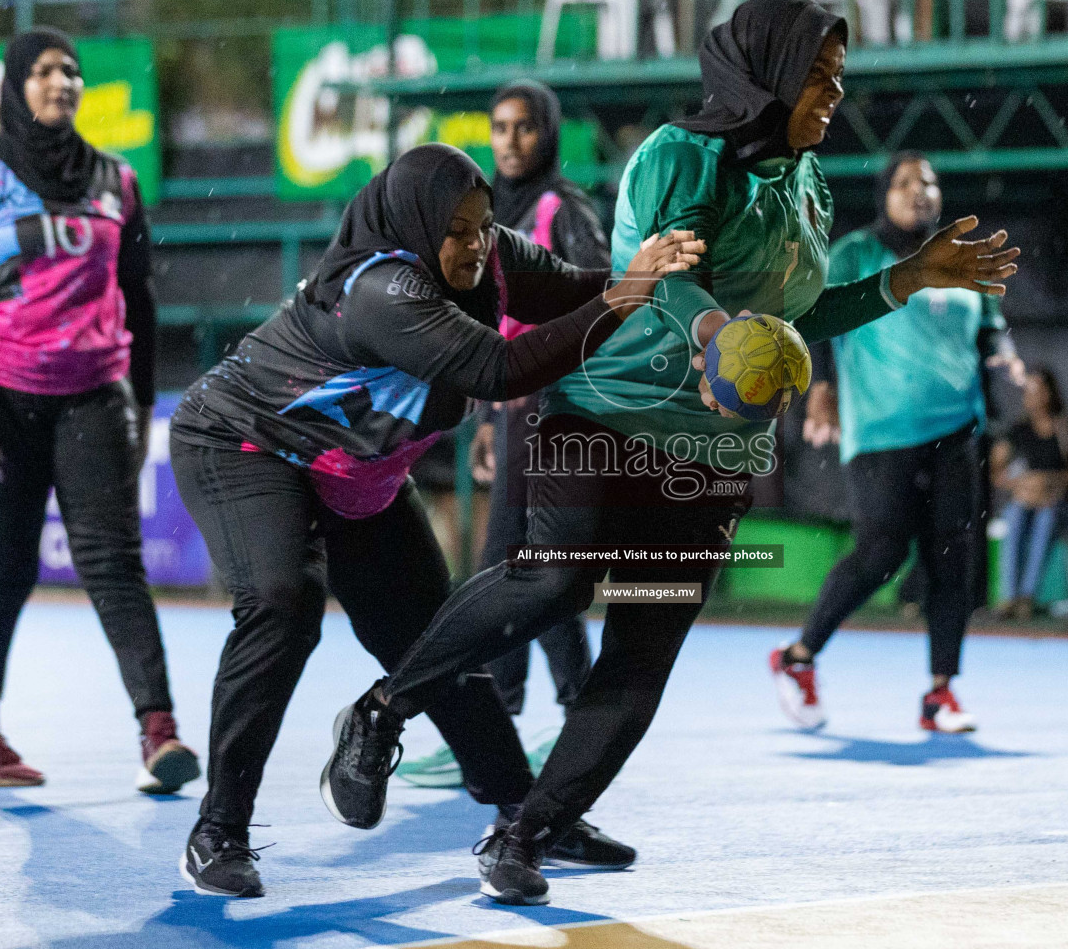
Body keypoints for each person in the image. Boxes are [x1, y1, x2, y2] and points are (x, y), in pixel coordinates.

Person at [321, 0, 1020, 907]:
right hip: (605, 416)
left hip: (711, 456)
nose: (832, 96)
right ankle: (381, 713)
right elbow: (662, 272)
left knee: (643, 650)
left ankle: (526, 831)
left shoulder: (805, 186)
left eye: (839, 79)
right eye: (818, 76)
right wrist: (717, 332)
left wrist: (904, 278)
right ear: (767, 74)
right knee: (554, 582)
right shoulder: (677, 155)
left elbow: (803, 315)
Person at [167, 141, 700, 897]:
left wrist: (658, 281)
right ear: (415, 225)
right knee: (283, 607)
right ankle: (218, 831)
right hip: (246, 445)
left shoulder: (491, 253)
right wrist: (623, 298)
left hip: (355, 472)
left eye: (485, 225)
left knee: (439, 640)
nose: (477, 245)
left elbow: (570, 293)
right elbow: (503, 369)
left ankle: (525, 812)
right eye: (457, 231)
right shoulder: (386, 287)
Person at [0, 28, 198, 795]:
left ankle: (159, 733)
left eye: (71, 70)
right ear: (16, 85)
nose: (61, 82)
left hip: (96, 398)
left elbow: (139, 298)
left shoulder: (117, 180)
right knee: (5, 567)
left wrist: (140, 403)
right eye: (44, 71)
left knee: (114, 565)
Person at [399, 81, 609, 790]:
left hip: (555, 407)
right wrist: (492, 414)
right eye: (500, 127)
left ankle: (504, 723)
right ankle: (528, 717)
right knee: (526, 571)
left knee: (512, 570)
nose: (512, 139)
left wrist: (558, 398)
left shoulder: (565, 210)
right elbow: (497, 327)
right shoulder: (491, 219)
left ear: (547, 134)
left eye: (525, 127)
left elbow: (601, 304)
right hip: (515, 407)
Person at [769, 151, 1024, 734]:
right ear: (884, 194)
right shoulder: (854, 254)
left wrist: (1006, 360)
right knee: (881, 553)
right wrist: (822, 390)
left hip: (958, 431)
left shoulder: (963, 261)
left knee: (953, 563)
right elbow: (819, 320)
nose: (919, 192)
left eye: (929, 182)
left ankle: (940, 693)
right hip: (881, 434)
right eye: (905, 183)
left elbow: (991, 332)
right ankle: (798, 658)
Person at [990, 366, 1068, 617]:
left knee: (1046, 518)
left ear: (1050, 392)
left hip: (1061, 506)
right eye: (1028, 390)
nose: (1033, 396)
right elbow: (996, 470)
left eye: (1038, 390)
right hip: (1025, 502)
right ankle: (1009, 596)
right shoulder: (1018, 430)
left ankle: (1027, 595)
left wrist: (1052, 481)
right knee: (1015, 515)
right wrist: (1023, 484)